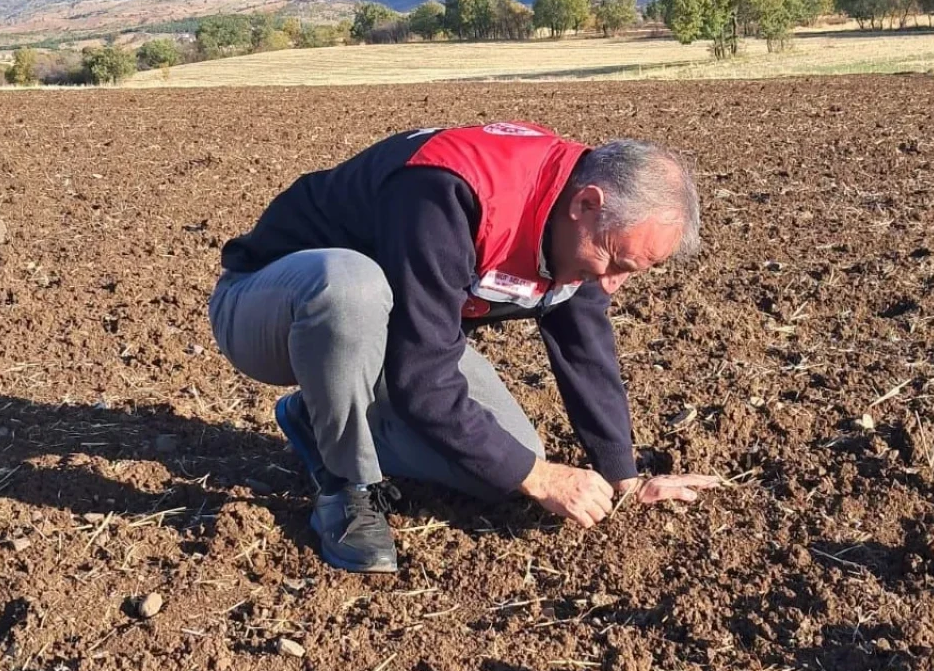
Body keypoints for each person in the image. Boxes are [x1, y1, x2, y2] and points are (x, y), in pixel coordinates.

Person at [210, 120, 719, 573]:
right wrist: (541, 479)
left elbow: (583, 346)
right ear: (586, 204)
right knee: (353, 284)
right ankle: (347, 485)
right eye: (615, 263)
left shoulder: (580, 220)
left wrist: (623, 477)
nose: (610, 285)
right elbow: (423, 380)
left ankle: (313, 417)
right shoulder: (449, 192)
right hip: (268, 310)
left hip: (387, 334)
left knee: (506, 463)